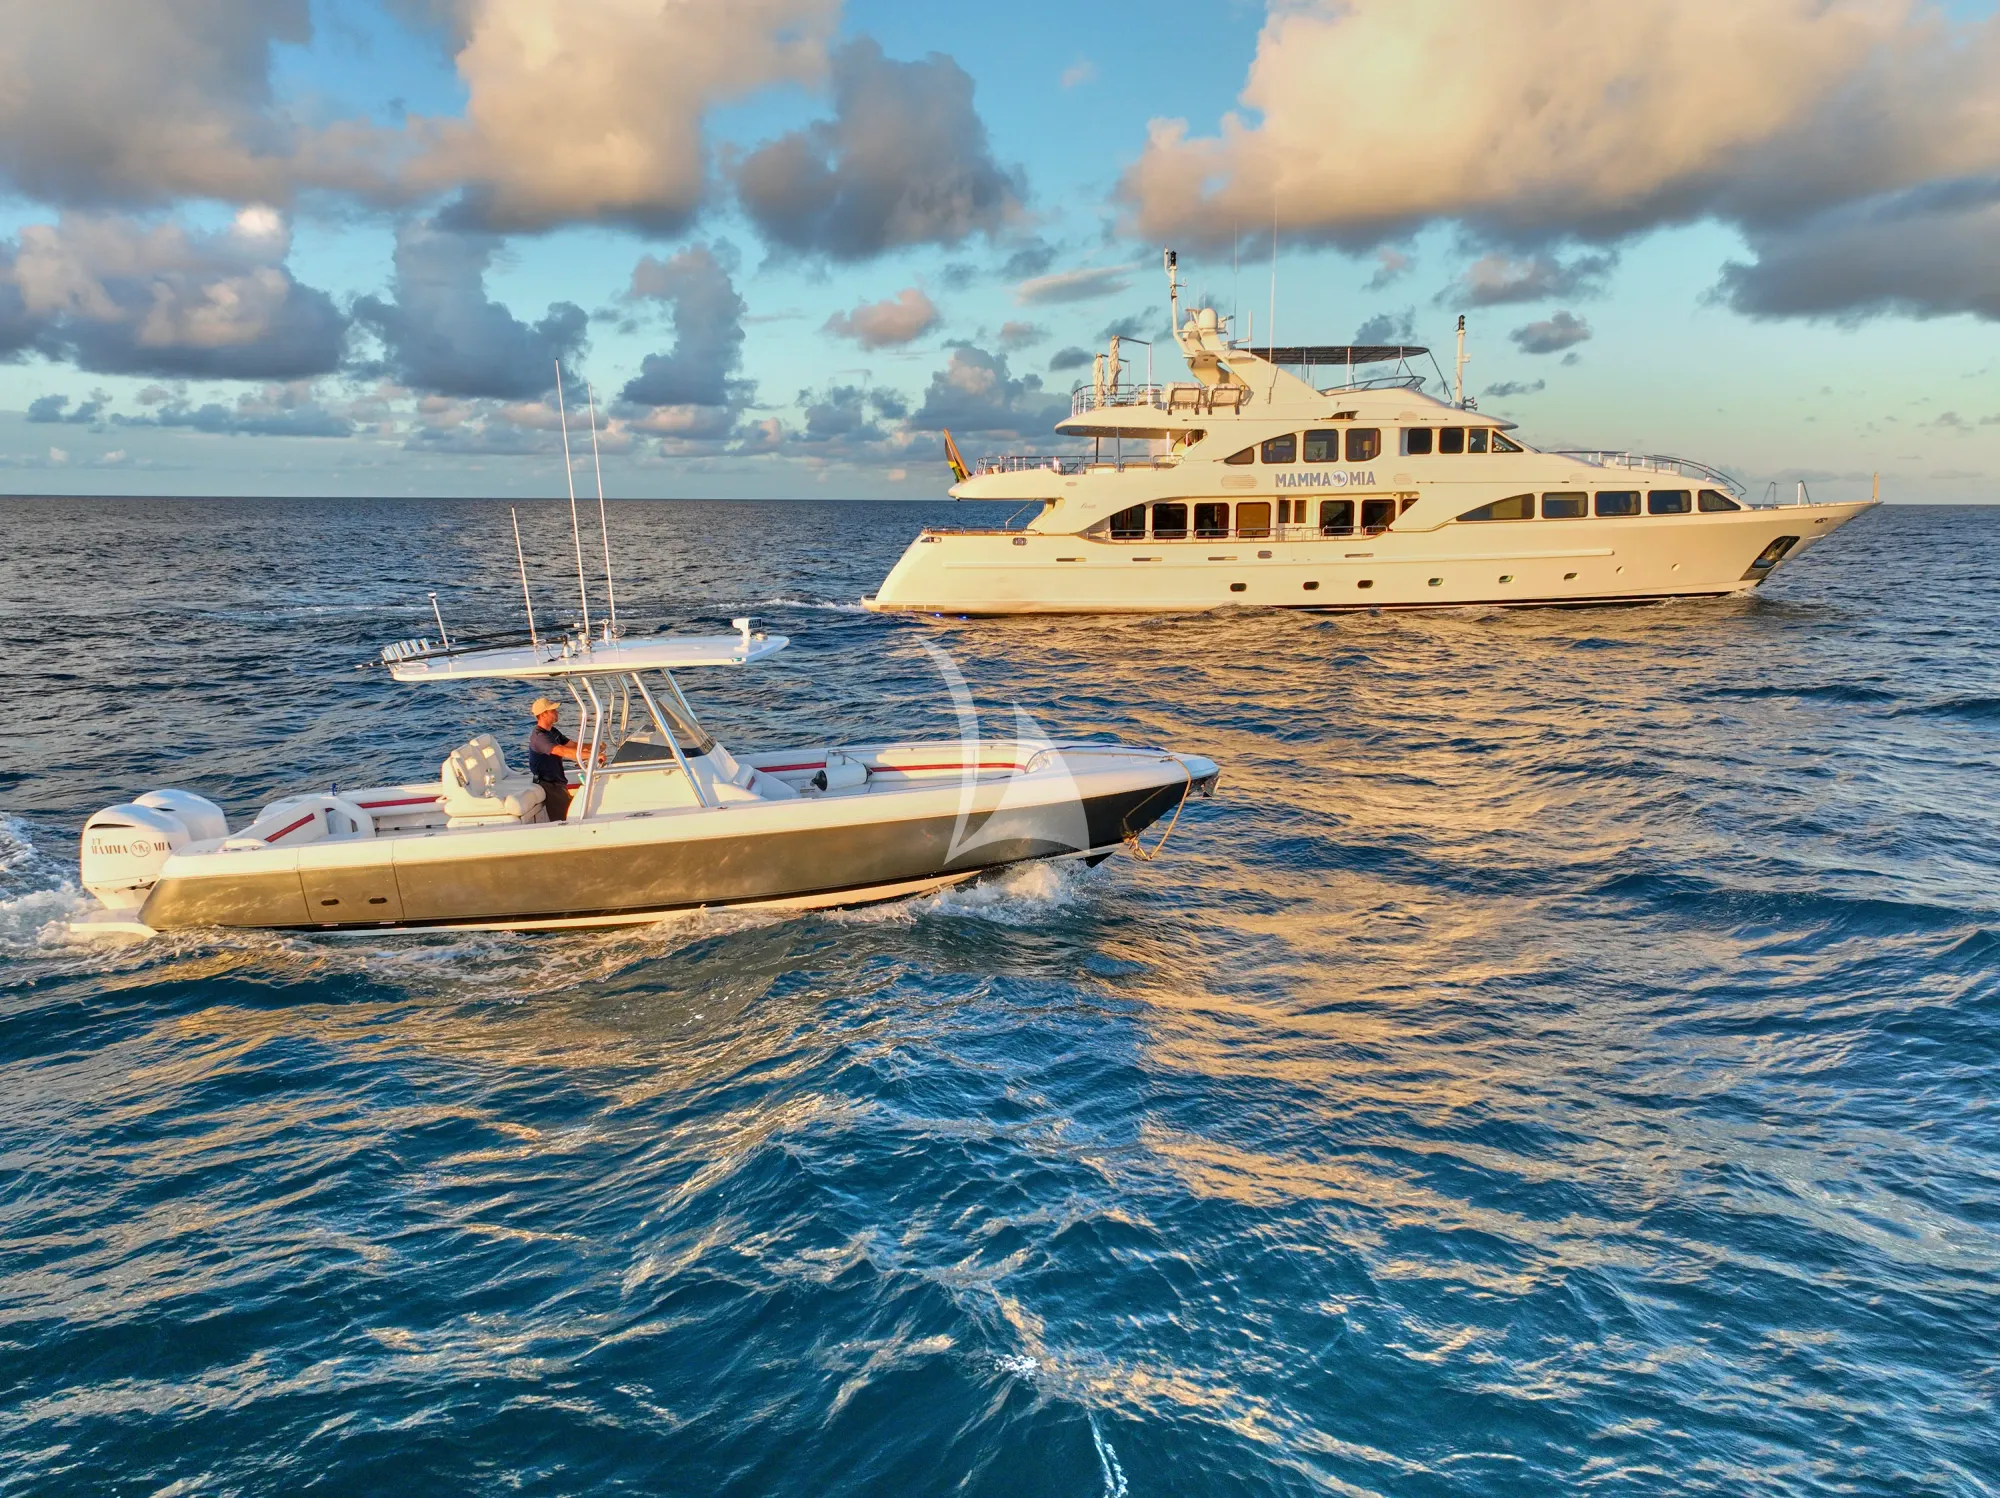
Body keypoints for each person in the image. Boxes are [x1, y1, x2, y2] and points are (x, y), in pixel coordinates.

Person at [526, 696, 592, 821]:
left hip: (558, 782)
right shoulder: (540, 737)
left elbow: (573, 746)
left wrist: (595, 747)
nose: (557, 712)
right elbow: (562, 751)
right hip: (549, 784)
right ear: (543, 714)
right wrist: (592, 755)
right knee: (564, 819)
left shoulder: (553, 731)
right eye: (553, 710)